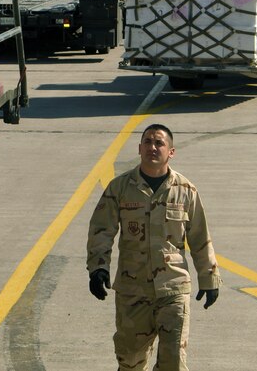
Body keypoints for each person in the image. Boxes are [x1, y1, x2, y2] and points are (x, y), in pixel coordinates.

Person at [86, 124, 221, 371]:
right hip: (132, 292)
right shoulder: (120, 188)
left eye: (159, 143)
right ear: (139, 149)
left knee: (174, 364)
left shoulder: (186, 191)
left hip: (173, 290)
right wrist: (98, 268)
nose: (152, 147)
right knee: (130, 362)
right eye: (147, 142)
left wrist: (209, 278)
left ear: (171, 152)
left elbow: (200, 238)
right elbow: (101, 230)